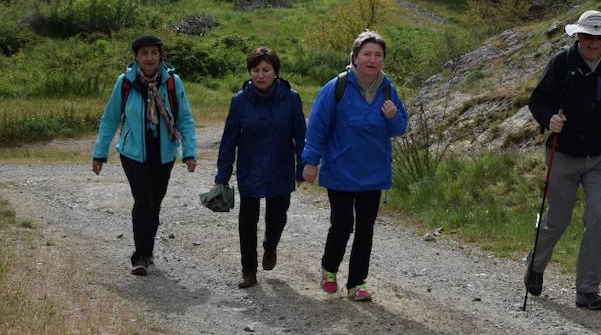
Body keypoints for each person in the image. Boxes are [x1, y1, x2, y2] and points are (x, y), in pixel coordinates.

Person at [525, 10, 601, 310]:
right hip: (563, 151)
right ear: (578, 36)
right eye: (588, 37)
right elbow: (538, 100)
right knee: (558, 220)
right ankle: (535, 266)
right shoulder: (562, 63)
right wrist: (549, 119)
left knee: (598, 217)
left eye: (599, 37)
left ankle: (587, 290)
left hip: (600, 153)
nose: (593, 43)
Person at [302, 30, 408, 302]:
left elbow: (400, 128)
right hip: (340, 169)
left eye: (378, 55)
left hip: (373, 172)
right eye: (367, 54)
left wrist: (393, 117)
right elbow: (317, 127)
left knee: (365, 229)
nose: (373, 60)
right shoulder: (336, 87)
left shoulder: (387, 88)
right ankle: (329, 269)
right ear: (355, 57)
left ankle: (356, 283)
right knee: (342, 224)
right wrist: (311, 162)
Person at [92, 34, 198, 276]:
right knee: (144, 201)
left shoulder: (172, 83)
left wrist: (189, 152)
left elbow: (185, 119)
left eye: (153, 53)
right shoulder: (125, 83)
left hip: (164, 154)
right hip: (133, 154)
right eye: (144, 53)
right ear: (136, 57)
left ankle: (146, 252)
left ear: (160, 56)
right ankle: (141, 256)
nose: (149, 57)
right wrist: (100, 154)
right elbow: (110, 120)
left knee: (154, 204)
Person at [215, 46, 306, 289]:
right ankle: (249, 271)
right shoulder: (240, 101)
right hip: (250, 168)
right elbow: (229, 140)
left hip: (281, 167)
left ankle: (270, 245)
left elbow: (301, 136)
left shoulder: (291, 98)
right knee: (247, 222)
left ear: (275, 72)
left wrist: (302, 167)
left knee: (277, 218)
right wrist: (222, 175)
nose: (261, 75)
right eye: (256, 70)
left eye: (266, 69)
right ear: (250, 72)